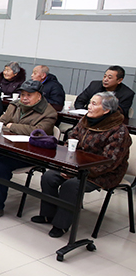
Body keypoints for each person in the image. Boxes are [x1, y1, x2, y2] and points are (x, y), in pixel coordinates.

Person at [34, 92, 131, 237]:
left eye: (94, 104)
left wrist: (76, 172)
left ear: (106, 110)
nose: (89, 107)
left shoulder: (119, 131)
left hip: (103, 173)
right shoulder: (85, 121)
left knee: (71, 185)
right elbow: (71, 140)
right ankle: (48, 215)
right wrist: (68, 165)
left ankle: (61, 225)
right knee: (49, 177)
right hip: (76, 166)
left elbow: (109, 163)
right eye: (90, 103)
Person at [0, 80, 58, 221]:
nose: (24, 98)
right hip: (5, 147)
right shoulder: (15, 105)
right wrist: (14, 127)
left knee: (1, 166)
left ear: (39, 96)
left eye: (29, 95)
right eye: (22, 94)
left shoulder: (49, 113)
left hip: (28, 153)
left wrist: (11, 126)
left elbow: (37, 132)